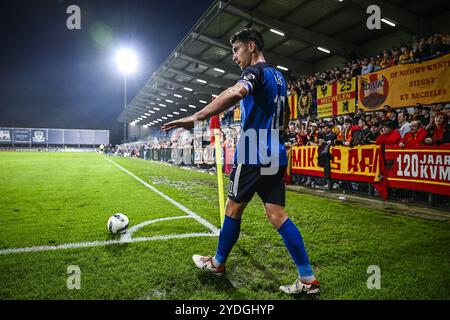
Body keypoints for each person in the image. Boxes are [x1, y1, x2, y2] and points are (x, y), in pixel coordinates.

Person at [161, 28, 320, 295]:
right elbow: (287, 114)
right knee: (277, 214)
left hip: (253, 153)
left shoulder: (254, 73)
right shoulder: (279, 76)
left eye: (236, 50)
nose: (234, 56)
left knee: (233, 209)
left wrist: (195, 118)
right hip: (274, 153)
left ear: (251, 46)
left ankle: (217, 263)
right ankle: (307, 278)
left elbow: (236, 93)